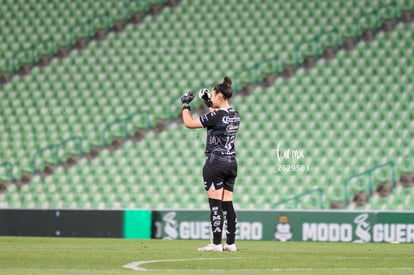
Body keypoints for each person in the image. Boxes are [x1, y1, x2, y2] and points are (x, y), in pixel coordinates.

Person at [180, 76, 240, 252]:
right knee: (227, 204)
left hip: (215, 164)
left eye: (213, 95)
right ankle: (230, 243)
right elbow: (218, 115)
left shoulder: (217, 115)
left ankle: (215, 244)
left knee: (215, 205)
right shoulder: (235, 114)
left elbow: (189, 123)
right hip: (231, 162)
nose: (211, 98)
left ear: (220, 96)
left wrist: (185, 105)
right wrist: (208, 101)